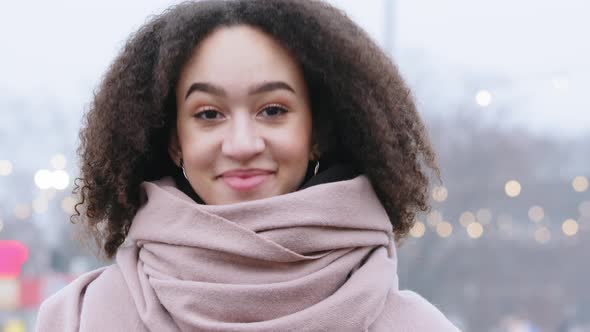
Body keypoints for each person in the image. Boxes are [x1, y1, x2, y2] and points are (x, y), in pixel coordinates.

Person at [36, 0, 460, 331]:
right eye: (208, 114)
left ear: (317, 132)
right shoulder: (80, 321)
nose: (241, 144)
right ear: (174, 141)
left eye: (273, 110)